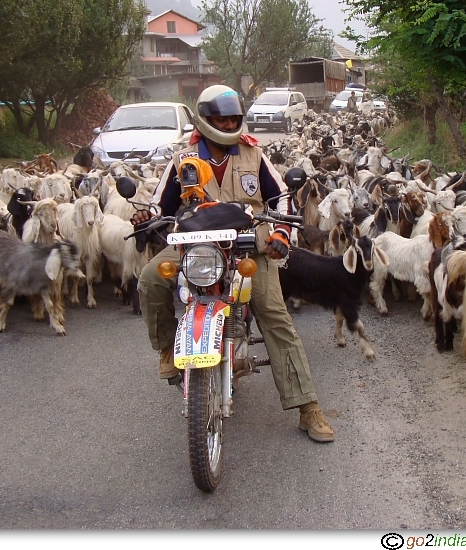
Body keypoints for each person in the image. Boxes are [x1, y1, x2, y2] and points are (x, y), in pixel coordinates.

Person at [131, 85, 335, 443]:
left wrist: (281, 234)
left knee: (275, 316)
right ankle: (166, 348)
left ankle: (308, 407)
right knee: (150, 279)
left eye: (233, 118)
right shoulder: (183, 158)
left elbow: (281, 199)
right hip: (195, 247)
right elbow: (159, 206)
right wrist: (146, 216)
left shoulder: (254, 154)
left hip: (248, 246)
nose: (228, 124)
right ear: (205, 120)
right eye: (220, 119)